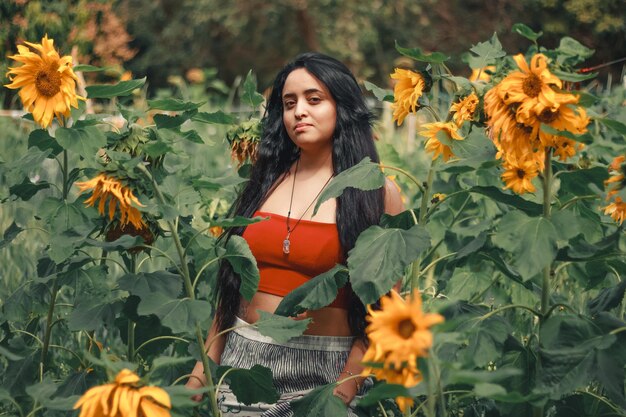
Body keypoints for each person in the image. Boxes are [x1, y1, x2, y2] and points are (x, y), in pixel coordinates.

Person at [186, 52, 404, 416]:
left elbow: (385, 311)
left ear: (343, 106)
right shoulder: (264, 180)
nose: (298, 111)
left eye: (313, 100)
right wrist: (199, 377)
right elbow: (231, 293)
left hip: (327, 375)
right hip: (244, 367)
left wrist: (343, 393)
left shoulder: (377, 192)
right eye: (289, 104)